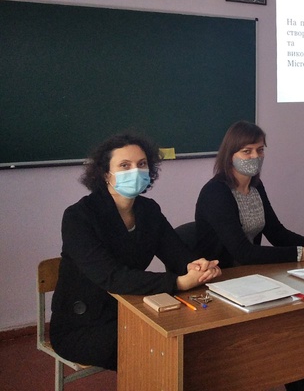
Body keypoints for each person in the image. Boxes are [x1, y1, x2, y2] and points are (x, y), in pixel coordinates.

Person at [195, 121, 304, 391]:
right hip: (221, 281)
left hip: (252, 276)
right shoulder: (215, 192)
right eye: (246, 151)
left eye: (260, 150)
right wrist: (303, 253)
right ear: (230, 154)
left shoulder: (256, 187)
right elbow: (242, 252)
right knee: (290, 326)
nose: (255, 157)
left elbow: (277, 233)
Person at [50, 133, 222, 370]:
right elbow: (111, 277)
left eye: (141, 164)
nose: (136, 171)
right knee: (163, 352)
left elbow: (177, 253)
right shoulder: (78, 216)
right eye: (125, 165)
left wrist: (198, 266)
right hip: (84, 325)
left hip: (133, 308)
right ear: (105, 174)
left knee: (196, 340)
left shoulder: (148, 210)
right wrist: (177, 282)